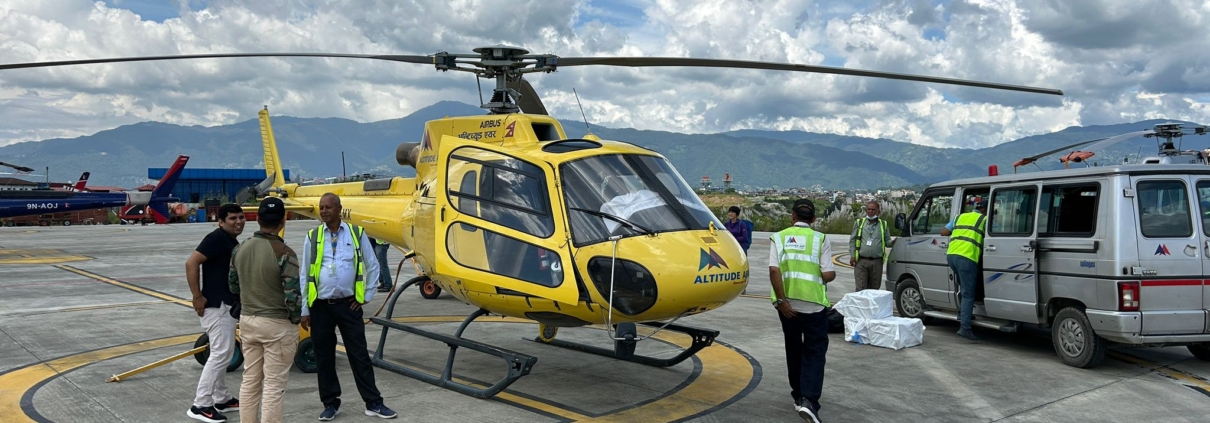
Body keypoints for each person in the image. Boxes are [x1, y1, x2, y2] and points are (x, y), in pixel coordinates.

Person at [300, 193, 397, 420]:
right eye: (321, 207)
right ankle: (330, 403)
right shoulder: (312, 237)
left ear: (339, 209)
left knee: (359, 354)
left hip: (348, 306)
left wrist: (366, 296)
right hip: (321, 307)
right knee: (324, 357)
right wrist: (305, 308)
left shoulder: (355, 233)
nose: (323, 211)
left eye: (328, 207)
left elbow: (372, 265)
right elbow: (305, 273)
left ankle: (373, 402)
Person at [228, 197, 301, 423]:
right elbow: (292, 295)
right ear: (283, 220)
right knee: (273, 385)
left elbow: (233, 285)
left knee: (250, 381)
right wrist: (296, 319)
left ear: (257, 219)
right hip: (277, 324)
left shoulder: (240, 248)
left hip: (249, 321)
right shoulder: (285, 253)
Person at [769, 199, 835, 423]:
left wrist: (782, 301)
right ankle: (810, 400)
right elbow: (828, 274)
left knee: (793, 348)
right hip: (814, 304)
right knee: (815, 352)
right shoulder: (820, 239)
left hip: (787, 305)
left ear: (793, 216)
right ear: (814, 219)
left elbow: (774, 271)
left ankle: (797, 395)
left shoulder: (779, 237)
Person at [185, 204, 245, 423]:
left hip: (225, 305)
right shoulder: (217, 238)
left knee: (223, 353)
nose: (238, 221)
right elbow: (192, 262)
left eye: (241, 217)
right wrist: (196, 295)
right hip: (216, 306)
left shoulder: (229, 240)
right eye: (232, 218)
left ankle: (221, 398)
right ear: (221, 221)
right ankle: (200, 404)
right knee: (221, 354)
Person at [940, 199, 987, 341]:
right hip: (967, 258)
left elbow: (944, 232)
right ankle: (965, 328)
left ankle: (962, 314)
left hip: (952, 256)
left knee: (963, 287)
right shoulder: (984, 219)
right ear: (985, 209)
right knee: (968, 293)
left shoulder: (959, 217)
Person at [848, 201, 892, 292]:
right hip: (861, 261)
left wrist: (894, 242)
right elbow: (852, 240)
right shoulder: (859, 223)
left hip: (876, 262)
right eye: (869, 209)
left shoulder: (883, 225)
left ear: (878, 212)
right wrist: (852, 255)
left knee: (874, 290)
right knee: (860, 289)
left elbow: (887, 242)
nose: (870, 211)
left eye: (873, 210)